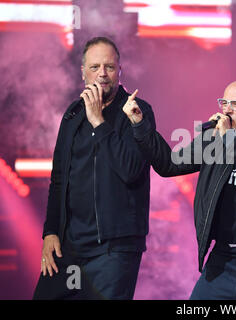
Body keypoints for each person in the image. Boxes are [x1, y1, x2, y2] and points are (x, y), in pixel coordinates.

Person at [123, 80, 236, 300]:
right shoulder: (214, 139)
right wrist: (140, 124)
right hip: (222, 262)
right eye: (224, 103)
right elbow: (169, 164)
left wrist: (229, 140)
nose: (227, 110)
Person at [33, 37, 155, 299]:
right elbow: (59, 179)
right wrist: (51, 231)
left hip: (113, 250)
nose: (102, 73)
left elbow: (131, 169)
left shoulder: (137, 111)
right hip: (71, 246)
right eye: (95, 66)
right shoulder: (73, 114)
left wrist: (99, 122)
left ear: (120, 71)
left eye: (109, 67)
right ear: (83, 72)